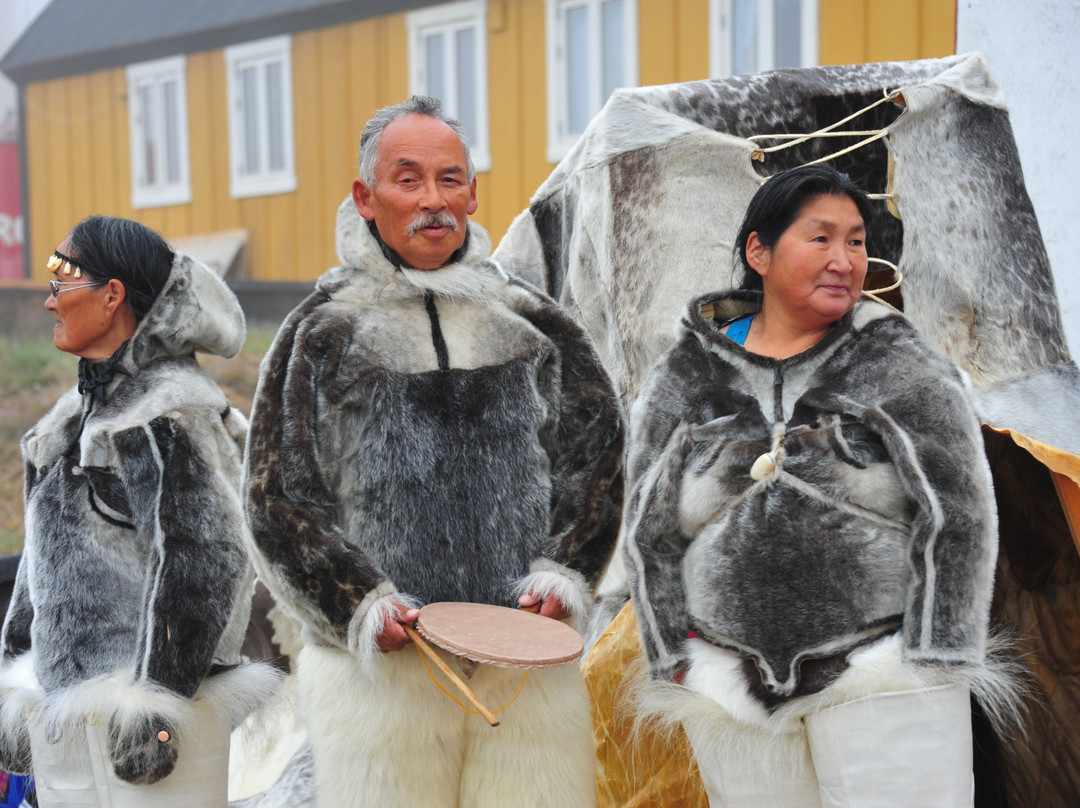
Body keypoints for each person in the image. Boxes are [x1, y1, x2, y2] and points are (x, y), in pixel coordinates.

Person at [244, 95, 624, 808]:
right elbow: (275, 494)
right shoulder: (323, 330)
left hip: (525, 665)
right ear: (366, 196)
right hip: (383, 675)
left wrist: (565, 571)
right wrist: (357, 603)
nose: (433, 201)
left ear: (475, 194)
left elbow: (597, 455)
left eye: (451, 180)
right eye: (408, 179)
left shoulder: (534, 323)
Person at [622, 164, 1008, 807]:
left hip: (883, 673)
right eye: (821, 238)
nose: (844, 259)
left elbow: (960, 512)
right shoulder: (686, 374)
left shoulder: (895, 360)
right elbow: (646, 531)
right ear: (760, 252)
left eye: (856, 241)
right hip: (731, 686)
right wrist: (673, 660)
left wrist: (938, 652)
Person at [0, 216, 279, 806]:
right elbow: (39, 571)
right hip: (67, 726)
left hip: (152, 737)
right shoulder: (66, 426)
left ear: (112, 294)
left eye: (62, 279)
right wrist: (15, 676)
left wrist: (158, 703)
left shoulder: (173, 412)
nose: (49, 300)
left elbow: (203, 561)